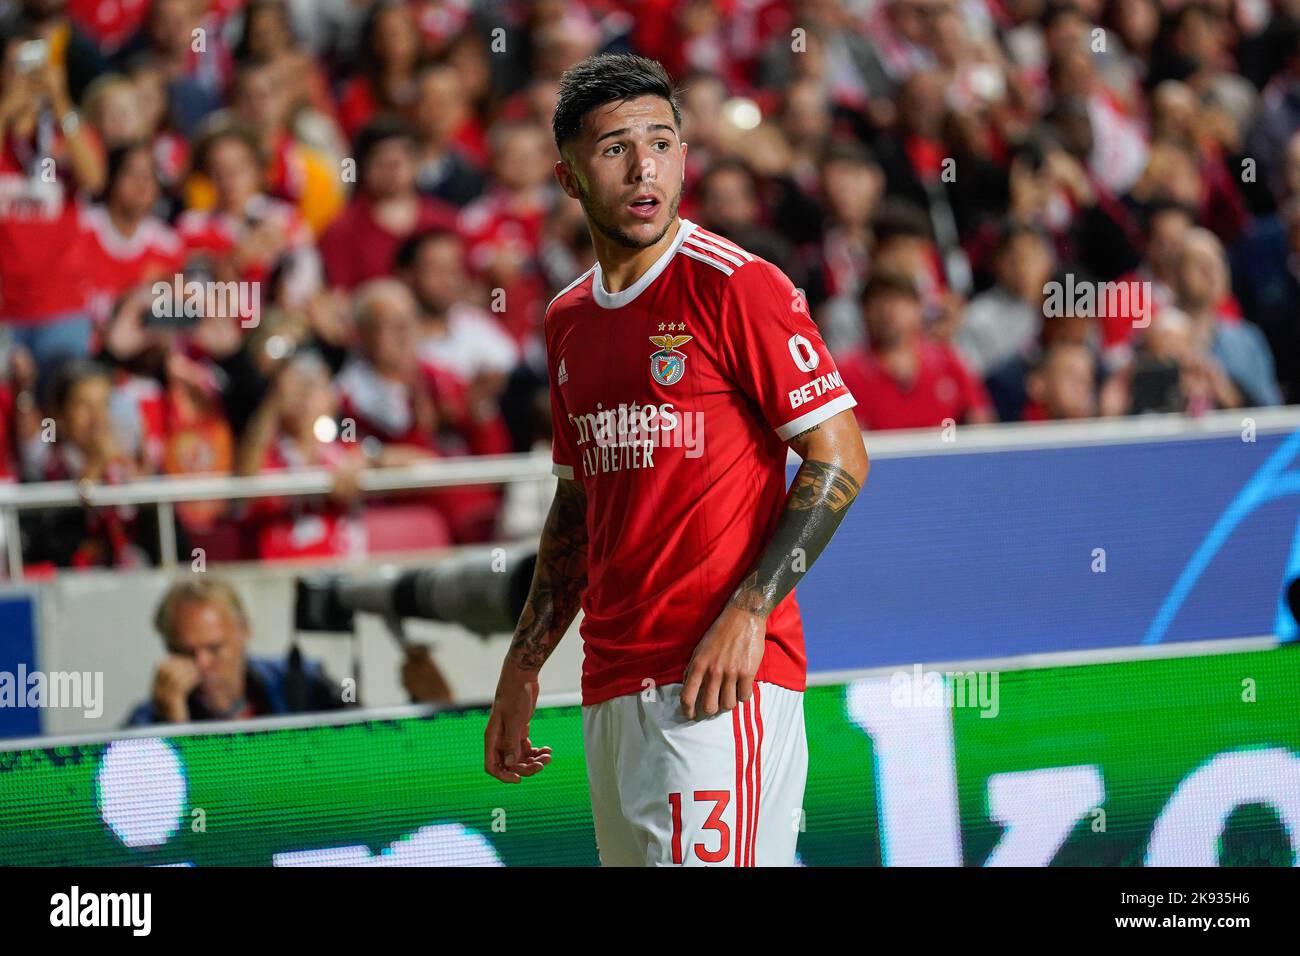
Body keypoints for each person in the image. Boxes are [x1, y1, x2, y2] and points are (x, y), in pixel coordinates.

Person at [483, 54, 869, 867]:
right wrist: (523, 667)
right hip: (612, 684)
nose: (644, 165)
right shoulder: (567, 322)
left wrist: (750, 611)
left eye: (662, 141)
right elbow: (580, 507)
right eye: (615, 147)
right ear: (569, 176)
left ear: (686, 157)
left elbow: (839, 458)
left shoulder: (736, 285)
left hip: (718, 681)